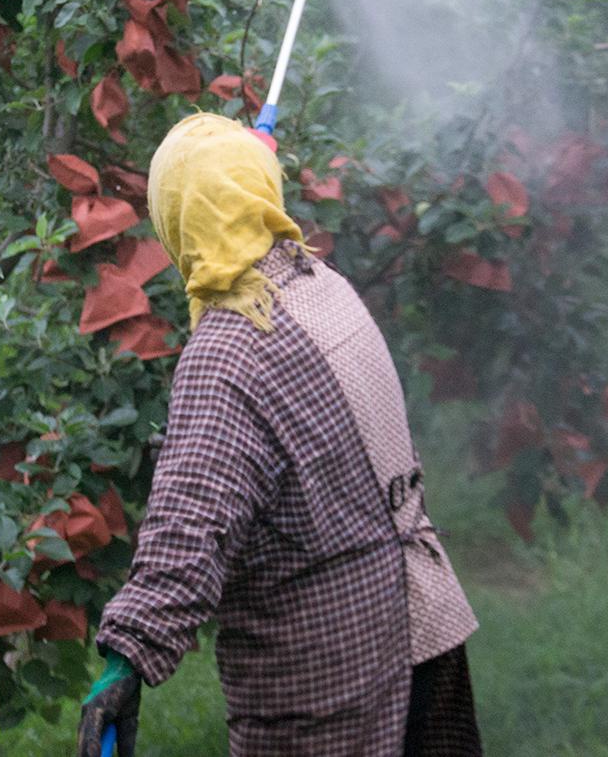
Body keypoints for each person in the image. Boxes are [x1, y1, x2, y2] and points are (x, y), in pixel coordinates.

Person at [77, 114, 481, 757]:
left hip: (329, 683)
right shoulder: (327, 287)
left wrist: (125, 662)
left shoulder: (231, 350)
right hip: (426, 628)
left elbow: (190, 529)